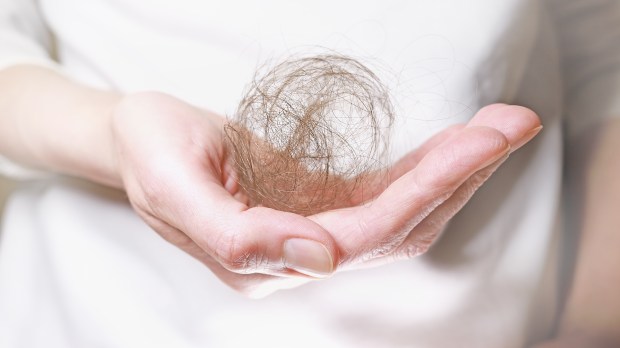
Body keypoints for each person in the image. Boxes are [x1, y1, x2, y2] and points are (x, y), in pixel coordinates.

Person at [0, 0, 618, 347]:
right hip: (103, 320)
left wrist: (590, 327)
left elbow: (605, 59)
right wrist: (112, 132)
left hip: (492, 325)